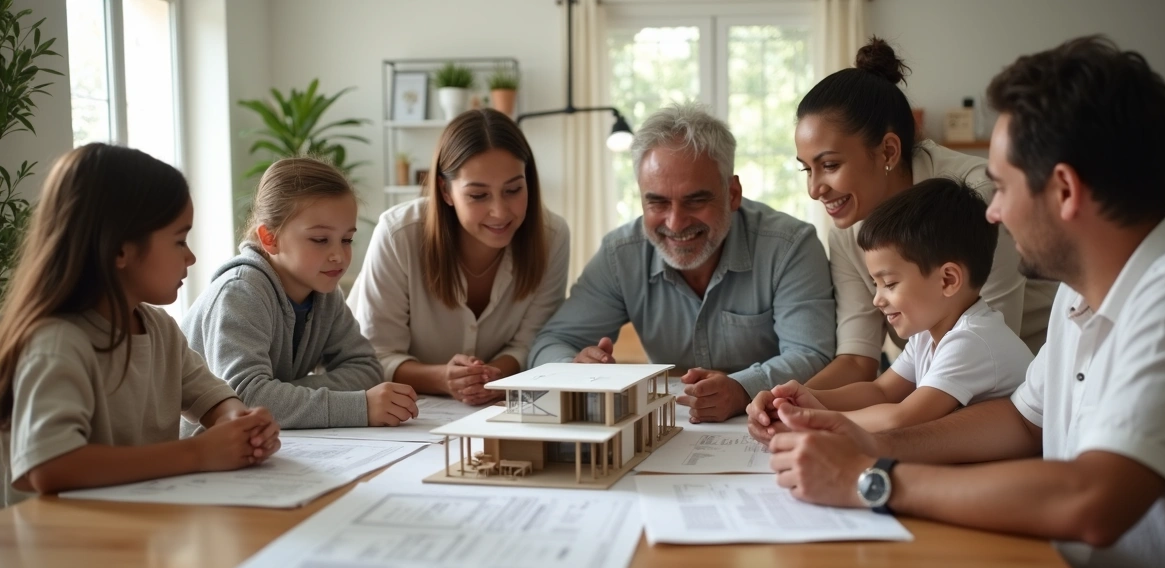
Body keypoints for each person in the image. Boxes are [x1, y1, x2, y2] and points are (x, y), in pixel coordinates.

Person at [765, 37, 1165, 568]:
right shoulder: (1078, 297)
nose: (994, 213)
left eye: (1001, 187)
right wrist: (861, 440)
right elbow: (1020, 423)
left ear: (1063, 190)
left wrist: (867, 480)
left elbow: (1093, 500)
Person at [0, 144, 282, 507]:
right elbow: (47, 466)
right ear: (120, 250)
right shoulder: (57, 343)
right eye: (180, 240)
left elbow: (210, 397)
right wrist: (198, 453)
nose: (191, 256)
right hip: (58, 544)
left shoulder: (159, 329)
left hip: (131, 528)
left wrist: (240, 423)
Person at [529, 103, 835, 423]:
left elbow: (813, 354)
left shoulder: (789, 246)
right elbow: (548, 344)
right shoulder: (621, 254)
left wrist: (741, 388)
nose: (675, 224)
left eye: (695, 200)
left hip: (773, 425)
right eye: (657, 202)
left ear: (732, 193)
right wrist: (571, 369)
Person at [795, 37, 1057, 391]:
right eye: (806, 170)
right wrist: (791, 401)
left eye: (829, 165)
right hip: (931, 381)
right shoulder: (845, 231)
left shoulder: (977, 198)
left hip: (1027, 381)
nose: (814, 189)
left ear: (888, 151)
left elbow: (988, 343)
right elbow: (858, 359)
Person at [750, 178, 1031, 437]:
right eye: (875, 284)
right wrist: (802, 397)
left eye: (889, 283)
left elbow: (901, 418)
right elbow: (881, 391)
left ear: (948, 280)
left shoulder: (972, 340)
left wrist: (809, 419)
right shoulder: (928, 332)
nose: (877, 300)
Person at [347, 109, 569, 405]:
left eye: (513, 189)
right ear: (445, 190)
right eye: (478, 195)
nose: (501, 211)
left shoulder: (552, 237)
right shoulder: (397, 234)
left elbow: (531, 342)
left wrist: (490, 378)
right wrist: (443, 379)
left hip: (491, 408)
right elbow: (375, 357)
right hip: (404, 412)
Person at [183, 157, 417, 430]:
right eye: (320, 240)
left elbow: (366, 368)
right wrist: (357, 406)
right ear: (270, 238)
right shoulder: (239, 292)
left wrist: (282, 392)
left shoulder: (324, 292)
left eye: (347, 239)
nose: (338, 255)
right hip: (199, 452)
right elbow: (243, 399)